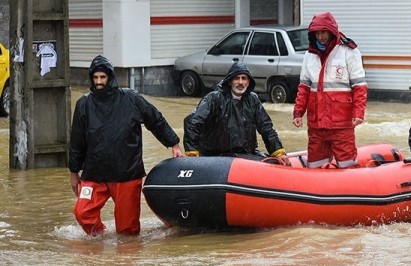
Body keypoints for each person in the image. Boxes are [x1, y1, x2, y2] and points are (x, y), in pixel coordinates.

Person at [69, 55, 184, 236]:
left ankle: (124, 261)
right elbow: (77, 140)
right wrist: (74, 172)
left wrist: (174, 144)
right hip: (94, 174)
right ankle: (99, 241)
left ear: (110, 78)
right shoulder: (83, 104)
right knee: (83, 212)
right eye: (95, 78)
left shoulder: (131, 98)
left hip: (127, 174)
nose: (99, 82)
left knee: (127, 231)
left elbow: (155, 120)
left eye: (103, 77)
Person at [292, 11, 367, 168]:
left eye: (323, 32)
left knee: (347, 164)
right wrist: (298, 112)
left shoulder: (349, 52)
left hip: (341, 123)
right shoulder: (309, 55)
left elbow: (359, 87)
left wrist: (358, 113)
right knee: (315, 165)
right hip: (316, 124)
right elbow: (304, 87)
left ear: (331, 31)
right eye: (317, 33)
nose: (320, 36)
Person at [183, 62, 286, 160]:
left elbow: (266, 127)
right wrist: (192, 151)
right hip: (216, 156)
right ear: (230, 81)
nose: (240, 82)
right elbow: (192, 122)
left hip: (246, 154)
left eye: (244, 78)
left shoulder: (253, 99)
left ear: (248, 82)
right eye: (236, 78)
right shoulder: (214, 98)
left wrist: (278, 152)